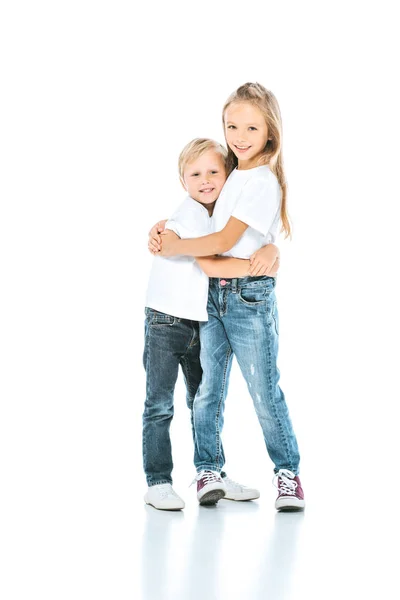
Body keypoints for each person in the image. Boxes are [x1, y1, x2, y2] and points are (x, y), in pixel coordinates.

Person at [154, 83, 305, 511]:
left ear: (270, 134)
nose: (239, 135)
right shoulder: (231, 173)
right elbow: (200, 210)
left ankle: (288, 474)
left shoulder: (261, 182)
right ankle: (208, 470)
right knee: (207, 391)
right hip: (213, 296)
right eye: (231, 125)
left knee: (263, 390)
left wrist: (175, 246)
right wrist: (165, 226)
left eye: (251, 127)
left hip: (248, 300)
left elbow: (221, 240)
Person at [143, 137, 280, 510]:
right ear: (183, 180)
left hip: (200, 319)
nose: (205, 180)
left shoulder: (222, 213)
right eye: (195, 174)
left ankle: (212, 472)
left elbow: (245, 236)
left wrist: (272, 248)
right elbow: (208, 261)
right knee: (159, 403)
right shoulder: (187, 216)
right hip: (166, 320)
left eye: (214, 172)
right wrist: (263, 269)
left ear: (229, 176)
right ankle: (158, 482)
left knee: (203, 401)